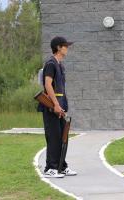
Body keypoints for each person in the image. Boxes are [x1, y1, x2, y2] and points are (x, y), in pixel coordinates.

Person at [38, 36, 77, 178]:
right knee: (53, 137)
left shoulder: (60, 64)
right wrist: (55, 104)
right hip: (50, 107)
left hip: (60, 105)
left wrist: (62, 105)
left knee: (62, 137)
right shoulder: (50, 64)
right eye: (65, 46)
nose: (67, 48)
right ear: (59, 47)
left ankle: (61, 166)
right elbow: (48, 84)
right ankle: (50, 168)